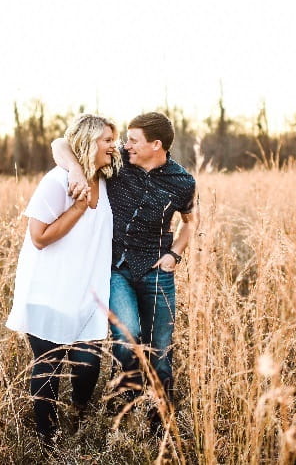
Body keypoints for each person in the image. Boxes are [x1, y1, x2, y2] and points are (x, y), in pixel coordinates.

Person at [52, 111, 196, 430]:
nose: (125, 144)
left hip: (157, 270)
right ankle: (124, 406)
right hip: (116, 268)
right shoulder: (119, 163)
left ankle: (160, 422)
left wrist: (176, 254)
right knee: (127, 340)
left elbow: (190, 221)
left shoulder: (182, 182)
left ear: (155, 145)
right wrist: (75, 168)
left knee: (160, 350)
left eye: (133, 140)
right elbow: (60, 143)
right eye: (125, 139)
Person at [6, 114, 121, 447]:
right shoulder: (56, 182)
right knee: (48, 368)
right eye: (107, 140)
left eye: (115, 140)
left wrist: (80, 170)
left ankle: (79, 421)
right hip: (48, 291)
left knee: (88, 367)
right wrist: (79, 206)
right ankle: (48, 440)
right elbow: (39, 237)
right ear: (87, 142)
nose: (114, 146)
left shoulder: (108, 179)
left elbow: (60, 144)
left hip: (87, 294)